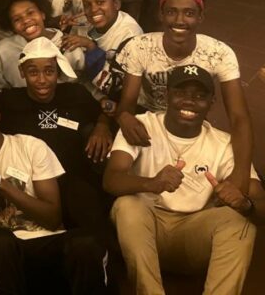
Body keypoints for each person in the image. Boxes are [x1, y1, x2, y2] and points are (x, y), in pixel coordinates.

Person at [103, 64, 264, 294]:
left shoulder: (224, 144)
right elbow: (111, 180)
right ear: (167, 95)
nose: (189, 101)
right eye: (181, 93)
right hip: (146, 230)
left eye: (199, 96)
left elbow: (261, 204)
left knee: (240, 220)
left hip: (195, 236)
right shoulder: (141, 125)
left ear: (211, 103)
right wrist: (152, 183)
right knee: (126, 205)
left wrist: (245, 204)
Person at [0, 87, 108, 294]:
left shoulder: (30, 146)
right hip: (7, 255)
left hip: (48, 242)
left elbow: (52, 217)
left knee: (85, 243)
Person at [114, 0, 255, 194]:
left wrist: (242, 173)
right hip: (147, 122)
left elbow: (239, 117)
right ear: (160, 15)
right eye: (171, 12)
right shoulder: (140, 46)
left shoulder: (219, 53)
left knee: (250, 186)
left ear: (200, 17)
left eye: (189, 13)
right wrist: (124, 116)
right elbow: (127, 103)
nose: (180, 20)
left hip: (190, 119)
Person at [0, 38, 114, 234]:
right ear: (22, 73)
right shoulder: (8, 101)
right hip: (31, 186)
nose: (42, 80)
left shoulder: (75, 93)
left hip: (73, 178)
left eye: (49, 71)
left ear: (58, 72)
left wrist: (102, 126)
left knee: (90, 213)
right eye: (33, 72)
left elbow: (101, 112)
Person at [0, 0, 84, 90]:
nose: (26, 20)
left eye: (30, 13)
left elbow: (83, 84)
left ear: (43, 13)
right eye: (17, 19)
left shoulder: (69, 44)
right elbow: (0, 89)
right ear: (11, 26)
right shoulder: (4, 49)